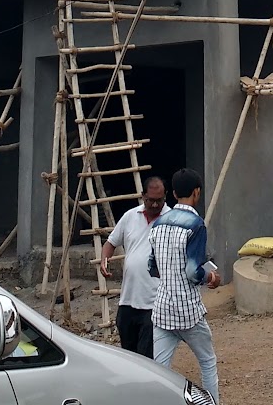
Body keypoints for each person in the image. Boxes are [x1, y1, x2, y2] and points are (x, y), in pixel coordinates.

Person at [148, 168, 221, 403]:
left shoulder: (158, 224)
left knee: (159, 371)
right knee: (207, 362)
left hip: (162, 311)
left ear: (174, 193)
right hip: (188, 312)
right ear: (197, 192)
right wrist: (210, 278)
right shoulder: (196, 225)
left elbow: (152, 267)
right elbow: (193, 271)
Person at [99, 176, 167, 357]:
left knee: (147, 356)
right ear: (143, 196)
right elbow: (110, 243)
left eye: (159, 201)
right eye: (150, 200)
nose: (154, 205)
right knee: (129, 355)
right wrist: (104, 260)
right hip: (128, 300)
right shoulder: (130, 216)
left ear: (165, 197)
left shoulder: (171, 219)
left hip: (155, 303)